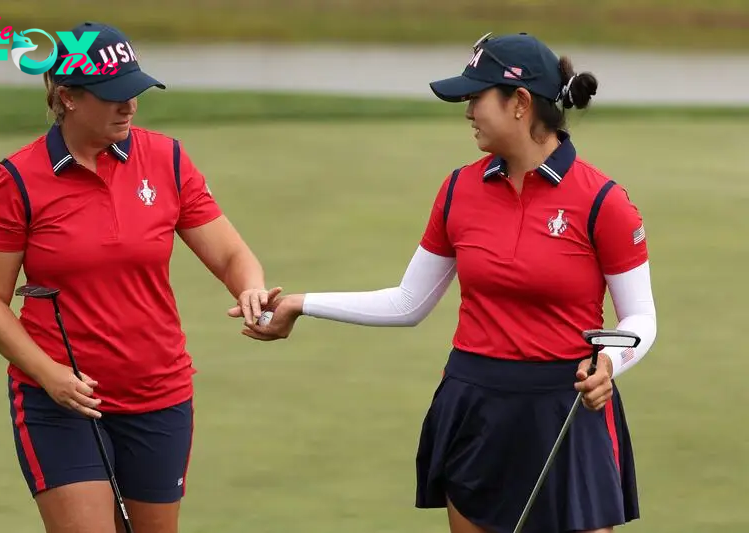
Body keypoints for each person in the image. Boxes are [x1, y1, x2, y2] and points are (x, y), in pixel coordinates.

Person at [233, 32, 658, 533]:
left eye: (477, 97)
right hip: (474, 405)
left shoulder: (603, 201)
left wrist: (610, 362)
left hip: (564, 405)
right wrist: (300, 304)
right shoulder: (459, 189)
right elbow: (409, 301)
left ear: (520, 103)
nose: (468, 110)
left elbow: (641, 319)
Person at [0, 21, 277, 533]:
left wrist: (250, 288)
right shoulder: (19, 179)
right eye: (114, 96)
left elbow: (229, 256)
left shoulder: (167, 159)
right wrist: (49, 375)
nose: (130, 105)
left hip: (159, 391)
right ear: (67, 96)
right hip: (61, 399)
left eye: (134, 91)